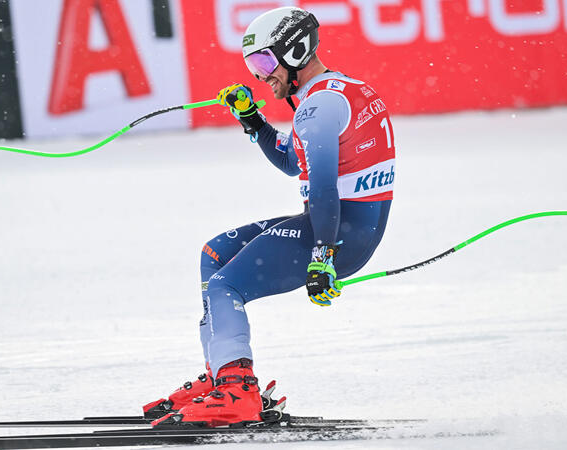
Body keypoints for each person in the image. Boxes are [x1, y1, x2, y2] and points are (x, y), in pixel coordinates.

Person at [145, 6, 396, 428]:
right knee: (215, 253)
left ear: (295, 52)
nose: (261, 76)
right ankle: (223, 372)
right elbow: (291, 159)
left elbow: (320, 188)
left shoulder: (318, 108)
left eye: (264, 62)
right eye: (253, 65)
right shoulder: (329, 96)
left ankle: (238, 392)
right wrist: (253, 119)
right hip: (337, 223)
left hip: (337, 231)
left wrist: (322, 255)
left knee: (226, 285)